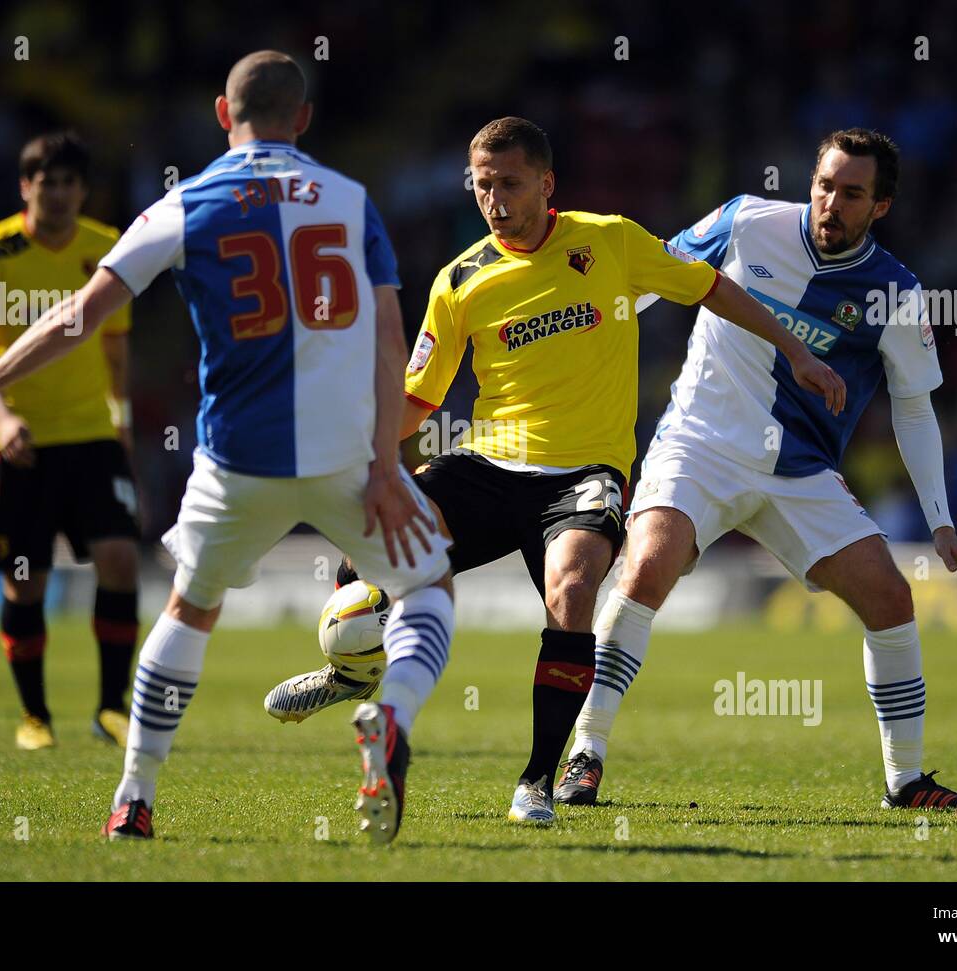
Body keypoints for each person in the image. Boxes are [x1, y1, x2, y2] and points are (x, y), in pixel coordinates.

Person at [0, 50, 452, 845]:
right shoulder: (351, 201)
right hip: (345, 455)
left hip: (236, 463)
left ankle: (134, 798)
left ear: (223, 116)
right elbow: (392, 338)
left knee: (191, 607)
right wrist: (389, 464)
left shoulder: (183, 205)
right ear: (306, 118)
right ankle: (390, 718)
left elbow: (76, 318)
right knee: (428, 589)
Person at [263, 116, 846, 825]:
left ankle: (536, 779)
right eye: (482, 185)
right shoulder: (460, 280)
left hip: (582, 473)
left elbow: (711, 289)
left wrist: (798, 352)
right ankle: (352, 668)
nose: (495, 199)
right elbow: (420, 395)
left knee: (571, 590)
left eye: (509, 183)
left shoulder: (610, 241)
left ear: (546, 183)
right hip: (488, 461)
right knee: (367, 544)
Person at [556, 128, 957, 813]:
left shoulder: (895, 292)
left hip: (799, 469)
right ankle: (586, 752)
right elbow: (652, 278)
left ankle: (906, 782)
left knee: (890, 598)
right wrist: (587, 338)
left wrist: (941, 522)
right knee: (645, 569)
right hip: (700, 442)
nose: (831, 204)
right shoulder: (747, 222)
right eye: (824, 186)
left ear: (881, 206)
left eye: (852, 194)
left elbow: (913, 405)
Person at [0, 131, 139, 751]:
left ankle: (112, 708)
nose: (58, 194)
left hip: (91, 434)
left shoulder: (108, 248)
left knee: (118, 560)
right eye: (47, 182)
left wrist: (122, 420)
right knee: (26, 581)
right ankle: (34, 716)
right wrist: (2, 417)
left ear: (83, 190)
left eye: (69, 182)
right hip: (18, 441)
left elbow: (115, 345)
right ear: (25, 187)